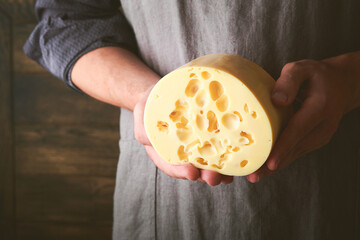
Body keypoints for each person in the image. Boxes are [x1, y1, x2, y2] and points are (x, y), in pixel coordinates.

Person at [24, 1, 360, 239]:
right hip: (167, 196)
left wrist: (348, 80)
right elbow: (67, 22)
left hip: (336, 184)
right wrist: (149, 98)